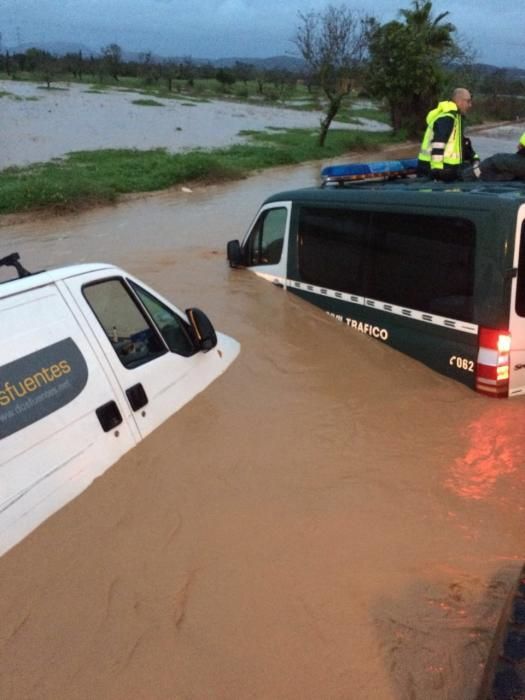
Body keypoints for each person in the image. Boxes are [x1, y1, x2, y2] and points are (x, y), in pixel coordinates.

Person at [417, 87, 479, 181]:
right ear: (459, 101)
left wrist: (474, 158)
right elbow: (438, 144)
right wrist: (437, 171)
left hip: (446, 171)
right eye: (468, 101)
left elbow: (460, 144)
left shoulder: (455, 117)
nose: (470, 105)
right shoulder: (447, 118)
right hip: (432, 171)